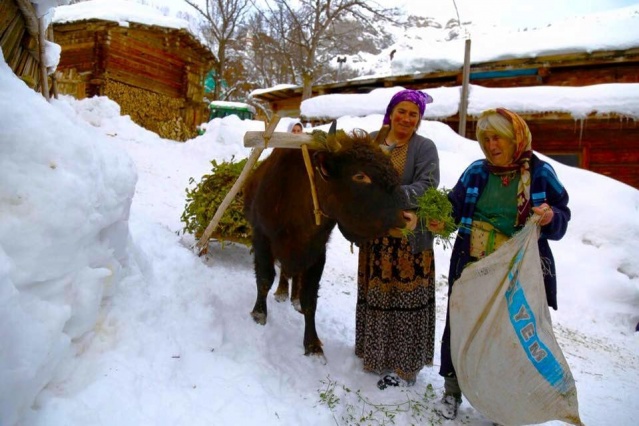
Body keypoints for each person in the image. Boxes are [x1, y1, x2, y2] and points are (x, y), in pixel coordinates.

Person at [430, 108, 571, 420]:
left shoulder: (540, 173)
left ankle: (501, 405)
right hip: (472, 266)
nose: (492, 145)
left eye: (499, 138)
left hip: (516, 272)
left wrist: (550, 217)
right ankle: (451, 392)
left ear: (516, 139)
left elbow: (562, 215)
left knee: (506, 337)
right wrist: (440, 220)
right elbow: (453, 209)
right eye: (487, 139)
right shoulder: (476, 173)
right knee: (462, 326)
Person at [355, 89, 440, 389]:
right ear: (391, 112)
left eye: (413, 114)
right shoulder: (373, 143)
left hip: (408, 242)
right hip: (377, 240)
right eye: (401, 111)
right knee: (378, 295)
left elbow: (428, 185)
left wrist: (387, 196)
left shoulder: (424, 147)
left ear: (419, 119)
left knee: (406, 301)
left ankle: (406, 367)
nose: (406, 118)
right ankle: (376, 356)